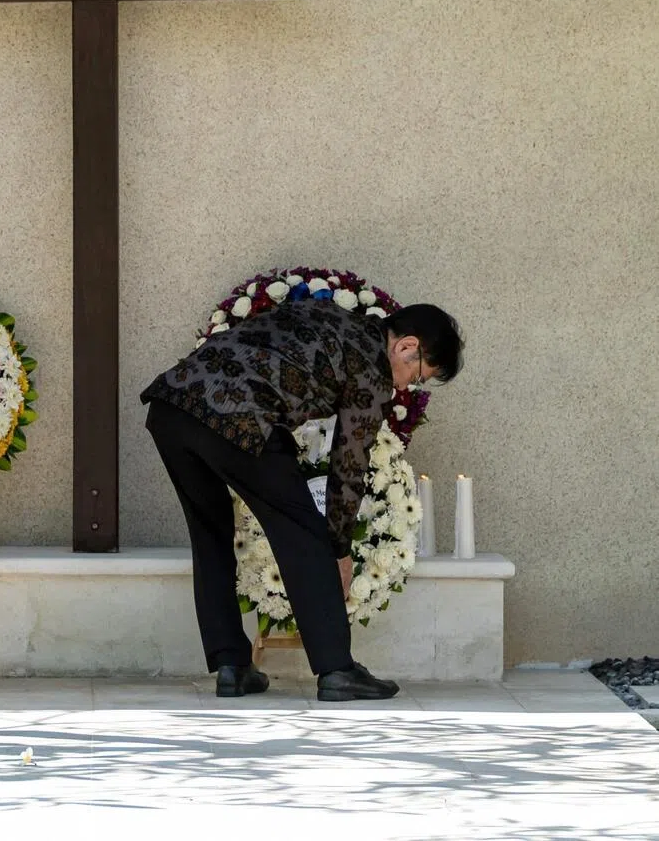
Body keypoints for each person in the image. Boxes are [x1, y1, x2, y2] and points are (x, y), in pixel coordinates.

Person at [141, 299, 463, 701]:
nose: (405, 387)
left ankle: (232, 665)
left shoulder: (329, 314)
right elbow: (349, 465)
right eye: (417, 376)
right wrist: (340, 549)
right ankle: (337, 669)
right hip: (239, 413)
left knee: (210, 531)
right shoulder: (372, 369)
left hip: (172, 405)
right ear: (405, 347)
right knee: (304, 532)